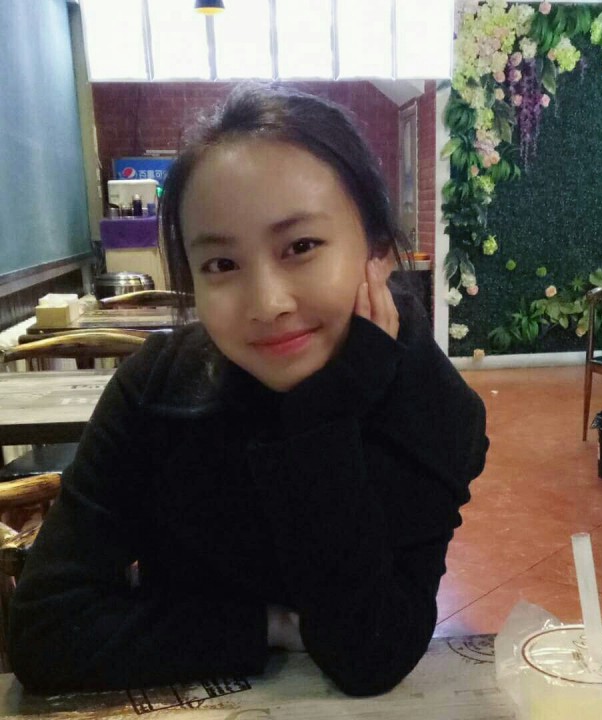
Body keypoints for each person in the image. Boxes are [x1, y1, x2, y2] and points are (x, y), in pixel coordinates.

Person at [9, 83, 489, 697]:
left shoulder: (433, 408)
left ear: (377, 250)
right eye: (222, 265)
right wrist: (269, 626)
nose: (266, 303)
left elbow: (372, 652)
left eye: (301, 247)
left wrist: (321, 418)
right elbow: (45, 631)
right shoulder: (157, 388)